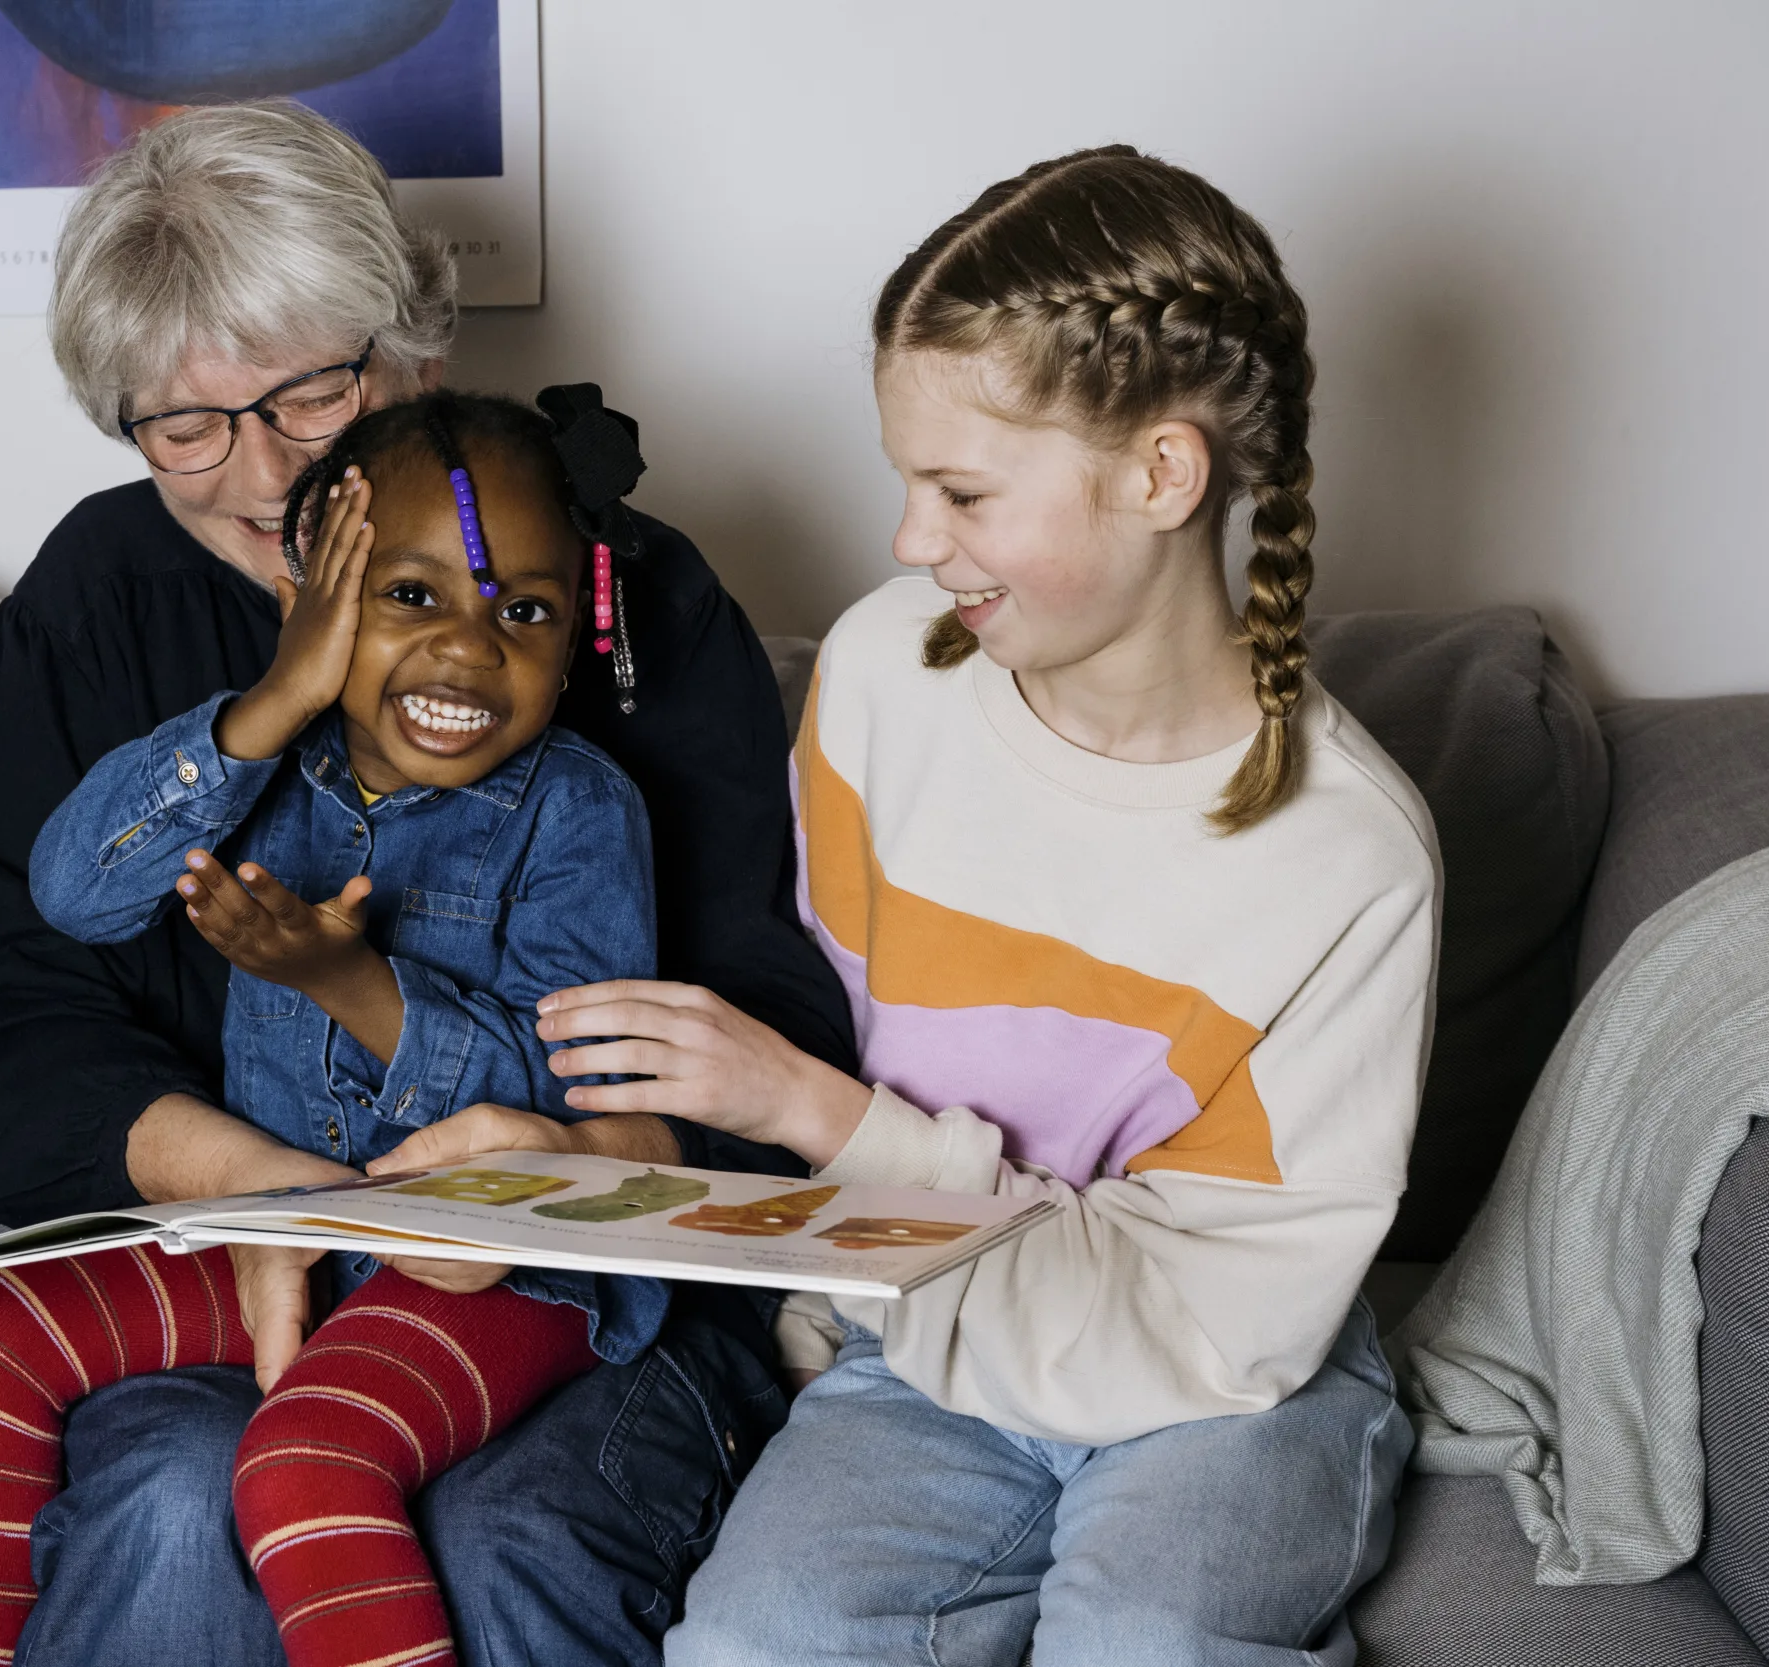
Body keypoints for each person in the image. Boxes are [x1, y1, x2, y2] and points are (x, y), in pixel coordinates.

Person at [0, 105, 855, 1665]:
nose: (263, 475)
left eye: (313, 392)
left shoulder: (618, 599)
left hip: (580, 1265)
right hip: (230, 1262)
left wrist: (560, 1158)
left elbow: (774, 1021)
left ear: (415, 352)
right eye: (185, 425)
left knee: (505, 1534)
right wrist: (252, 1184)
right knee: (174, 1498)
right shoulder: (101, 595)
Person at [534, 148, 1440, 1665]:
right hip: (921, 1344)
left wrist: (824, 1114)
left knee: (1150, 1640)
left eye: (959, 489)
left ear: (1162, 475)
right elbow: (806, 1016)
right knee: (753, 1644)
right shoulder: (891, 671)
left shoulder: (1348, 857)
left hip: (1219, 1377)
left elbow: (1216, 1318)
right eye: (906, 482)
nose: (905, 539)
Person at [0, 391, 677, 1667]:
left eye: (522, 611)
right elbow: (76, 890)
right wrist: (273, 696)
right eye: (409, 596)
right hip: (297, 1234)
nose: (469, 650)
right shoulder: (255, 768)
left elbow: (576, 1094)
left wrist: (351, 984)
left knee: (305, 1464)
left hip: (499, 1263)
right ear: (308, 600)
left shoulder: (580, 812)